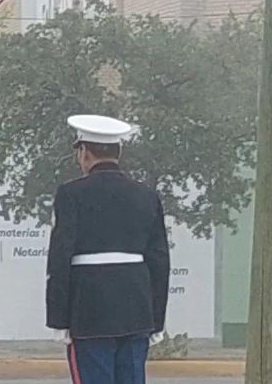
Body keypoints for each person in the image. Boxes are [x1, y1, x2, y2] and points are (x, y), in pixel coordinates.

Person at [46, 115, 171, 384]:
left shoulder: (70, 194)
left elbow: (60, 258)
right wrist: (156, 319)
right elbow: (159, 261)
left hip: (89, 310)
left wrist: (58, 318)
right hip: (136, 310)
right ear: (119, 152)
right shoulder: (146, 195)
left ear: (83, 152)